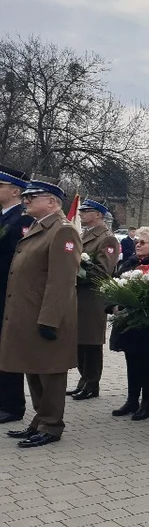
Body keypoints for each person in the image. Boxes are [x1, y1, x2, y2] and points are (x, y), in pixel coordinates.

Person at [1, 176, 82, 448]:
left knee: (50, 373)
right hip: (28, 312)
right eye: (25, 197)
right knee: (33, 369)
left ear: (51, 202)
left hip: (46, 315)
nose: (26, 201)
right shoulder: (39, 227)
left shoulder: (62, 230)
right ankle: (39, 420)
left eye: (31, 197)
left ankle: (51, 425)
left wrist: (49, 319)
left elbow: (61, 280)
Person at [110, 227, 149, 421]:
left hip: (148, 323)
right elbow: (115, 285)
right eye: (136, 241)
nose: (137, 245)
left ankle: (147, 403)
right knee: (131, 360)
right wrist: (114, 304)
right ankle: (132, 400)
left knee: (145, 362)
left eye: (142, 242)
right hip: (128, 321)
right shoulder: (131, 262)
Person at [69, 200, 120, 401]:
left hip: (92, 296)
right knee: (80, 342)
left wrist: (76, 270)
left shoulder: (107, 239)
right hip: (79, 295)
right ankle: (83, 381)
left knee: (91, 342)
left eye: (86, 211)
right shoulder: (85, 234)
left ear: (98, 215)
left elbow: (103, 271)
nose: (81, 213)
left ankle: (92, 384)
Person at [0, 165, 32, 426]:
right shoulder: (3, 217)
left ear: (15, 191)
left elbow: (17, 261)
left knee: (8, 350)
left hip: (7, 294)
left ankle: (12, 405)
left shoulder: (22, 221)